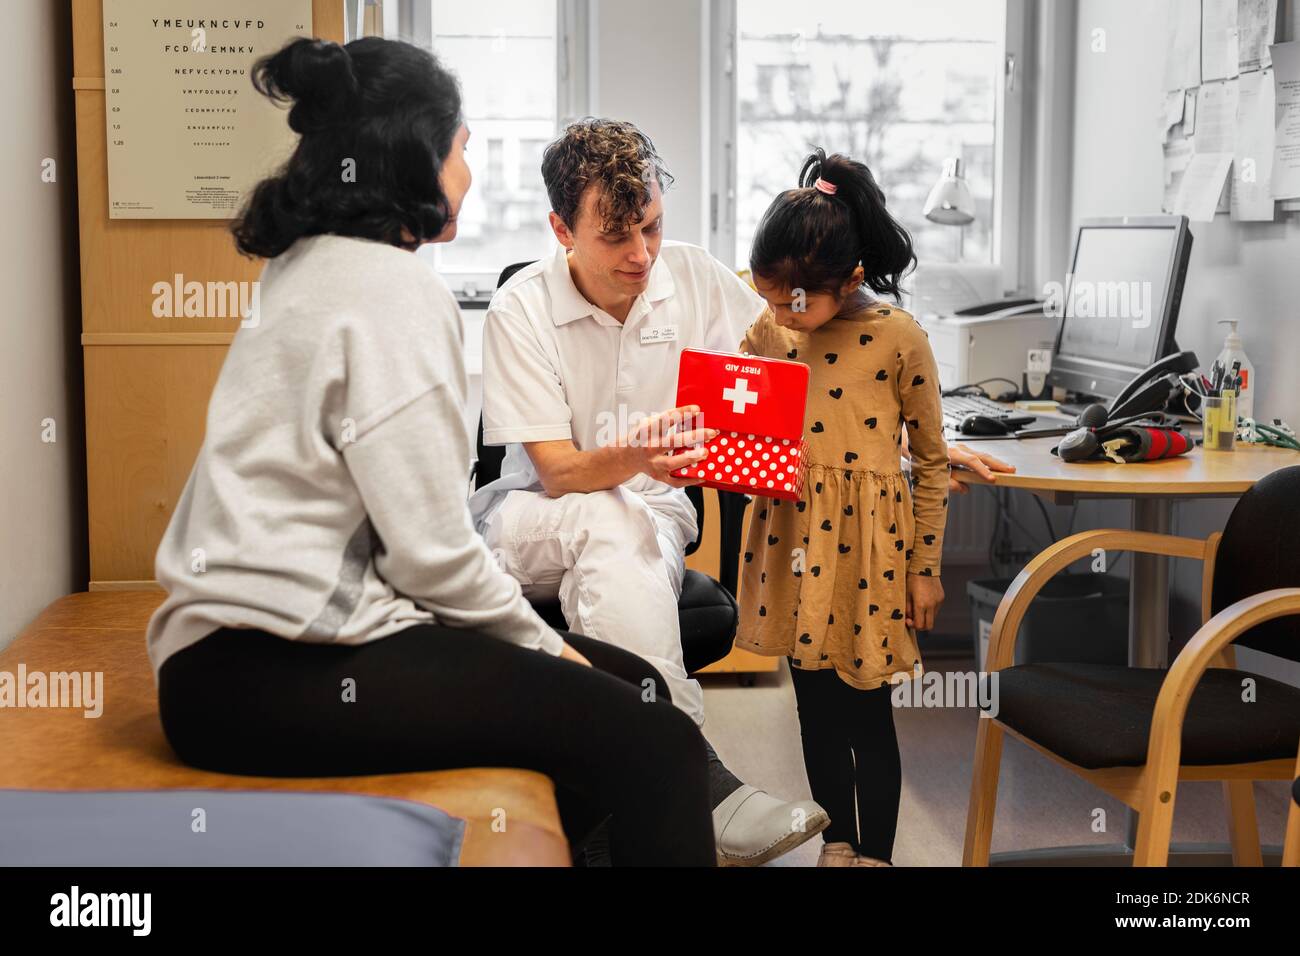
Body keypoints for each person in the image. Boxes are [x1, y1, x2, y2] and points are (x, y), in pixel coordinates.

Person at [145, 37, 715, 867]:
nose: (469, 173)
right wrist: (549, 651)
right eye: (461, 149)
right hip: (284, 668)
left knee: (637, 693)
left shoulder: (303, 267)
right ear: (415, 159)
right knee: (657, 742)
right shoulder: (395, 288)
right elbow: (435, 556)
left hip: (220, 666)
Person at [468, 118, 830, 865]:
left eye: (654, 228)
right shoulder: (521, 308)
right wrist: (638, 454)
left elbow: (787, 367)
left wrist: (903, 429)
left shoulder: (695, 278)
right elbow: (561, 471)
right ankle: (696, 778)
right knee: (603, 511)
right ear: (561, 228)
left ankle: (641, 796)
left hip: (648, 513)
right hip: (526, 518)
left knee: (619, 528)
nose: (642, 255)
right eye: (616, 238)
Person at [734, 148, 948, 867]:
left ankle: (878, 854)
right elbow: (739, 419)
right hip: (792, 545)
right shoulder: (772, 330)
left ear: (851, 278)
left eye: (791, 300)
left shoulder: (898, 338)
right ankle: (838, 842)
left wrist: (925, 567)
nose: (777, 314)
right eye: (766, 297)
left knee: (867, 713)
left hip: (868, 558)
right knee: (814, 708)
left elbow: (933, 462)